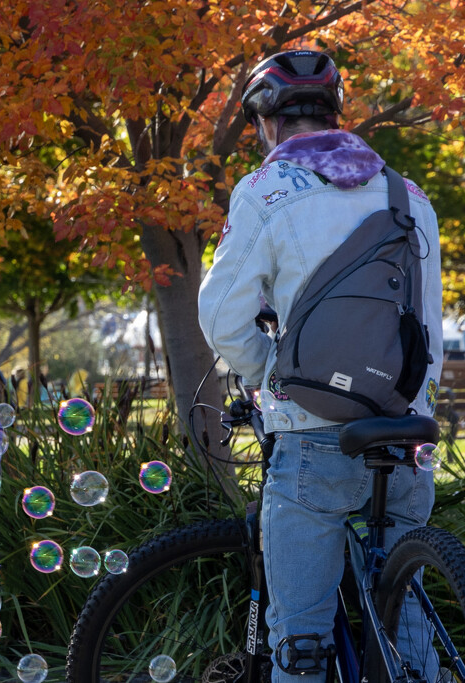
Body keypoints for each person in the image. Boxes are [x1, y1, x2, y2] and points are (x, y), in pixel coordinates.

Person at [198, 50, 442, 682]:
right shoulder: (410, 196)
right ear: (337, 112)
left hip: (312, 434)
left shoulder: (265, 192)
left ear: (265, 123)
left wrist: (267, 379)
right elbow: (429, 331)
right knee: (409, 622)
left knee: (300, 637)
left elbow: (221, 315)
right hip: (405, 432)